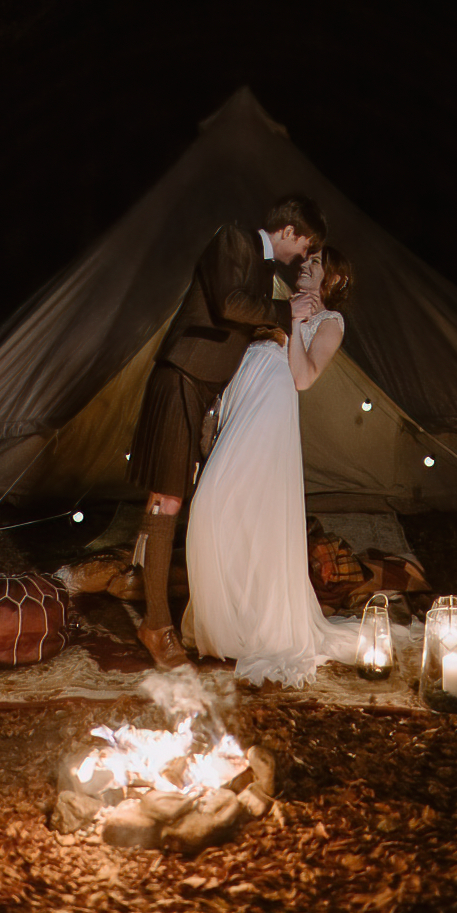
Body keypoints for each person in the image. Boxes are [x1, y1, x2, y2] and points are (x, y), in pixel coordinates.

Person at [128, 195, 327, 669]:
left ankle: (156, 604)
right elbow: (230, 303)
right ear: (290, 232)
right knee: (167, 499)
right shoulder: (235, 238)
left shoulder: (261, 267)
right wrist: (287, 311)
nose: (302, 256)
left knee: (174, 498)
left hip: (202, 388)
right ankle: (156, 624)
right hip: (183, 375)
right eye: (305, 245)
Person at [184, 246, 359, 688]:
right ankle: (230, 623)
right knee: (232, 512)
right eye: (306, 259)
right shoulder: (278, 301)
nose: (304, 265)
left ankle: (261, 625)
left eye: (315, 263)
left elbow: (303, 377)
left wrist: (298, 321)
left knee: (214, 502)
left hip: (271, 410)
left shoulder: (330, 322)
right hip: (242, 401)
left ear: (333, 279)